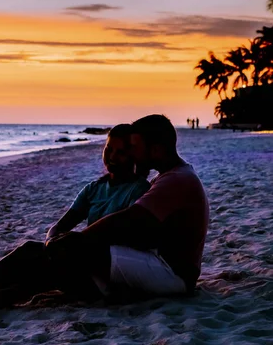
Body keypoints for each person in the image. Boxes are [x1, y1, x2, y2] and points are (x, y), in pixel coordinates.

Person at [0, 124, 150, 313]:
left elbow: (127, 236)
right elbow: (60, 226)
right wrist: (52, 242)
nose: (112, 157)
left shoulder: (138, 189)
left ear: (133, 157)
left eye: (120, 153)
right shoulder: (94, 189)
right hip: (79, 260)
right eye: (108, 149)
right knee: (30, 249)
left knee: (48, 271)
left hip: (104, 274)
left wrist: (74, 247)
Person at [47, 114, 209, 298]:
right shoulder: (170, 176)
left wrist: (77, 239)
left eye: (134, 147)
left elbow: (128, 219)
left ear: (155, 150)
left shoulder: (177, 179)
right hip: (162, 265)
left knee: (78, 252)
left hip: (171, 273)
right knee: (56, 253)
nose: (132, 153)